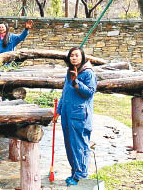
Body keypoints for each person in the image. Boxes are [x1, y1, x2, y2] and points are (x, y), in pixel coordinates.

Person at [53, 47, 97, 186]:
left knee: (79, 145)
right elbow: (64, 93)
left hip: (79, 115)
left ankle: (81, 175)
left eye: (77, 55)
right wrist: (58, 111)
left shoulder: (88, 73)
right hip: (67, 114)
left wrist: (76, 82)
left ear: (82, 57)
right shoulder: (70, 72)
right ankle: (75, 172)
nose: (74, 58)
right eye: (71, 56)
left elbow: (89, 92)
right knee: (70, 145)